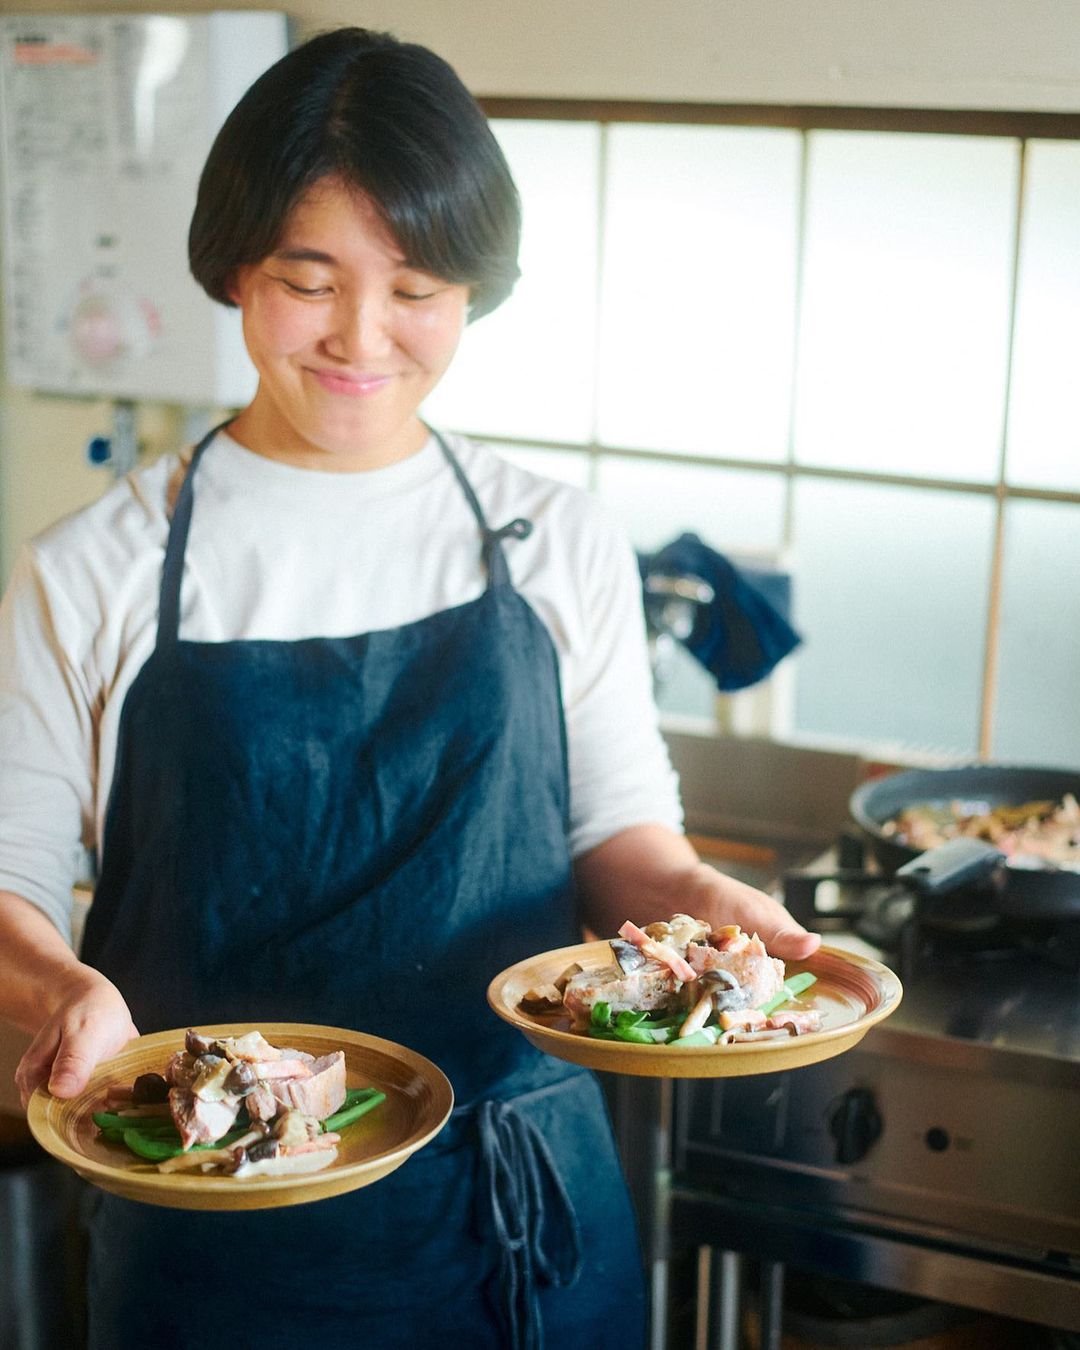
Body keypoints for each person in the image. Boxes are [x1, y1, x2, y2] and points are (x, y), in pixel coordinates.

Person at [0, 27, 819, 1350]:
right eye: (307, 279)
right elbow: (10, 880)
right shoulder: (91, 570)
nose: (360, 338)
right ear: (235, 271)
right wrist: (59, 992)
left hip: (528, 1219)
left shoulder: (558, 534)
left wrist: (709, 912)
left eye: (418, 287)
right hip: (215, 1225)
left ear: (475, 291)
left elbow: (619, 838)